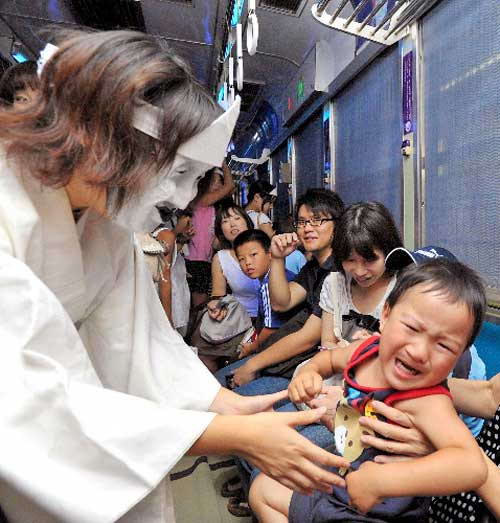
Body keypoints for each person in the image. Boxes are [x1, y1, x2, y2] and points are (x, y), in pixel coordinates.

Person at [0, 30, 347, 523]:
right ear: (107, 139)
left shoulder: (106, 229)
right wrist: (237, 436)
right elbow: (23, 405)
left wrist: (230, 406)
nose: (185, 199)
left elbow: (143, 349)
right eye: (180, 173)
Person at [250, 259, 489, 523]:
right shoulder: (366, 350)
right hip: (339, 482)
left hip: (377, 511)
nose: (419, 352)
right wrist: (309, 374)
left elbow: (471, 465)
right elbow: (329, 360)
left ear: (459, 357)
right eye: (411, 328)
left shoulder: (428, 400)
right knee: (262, 488)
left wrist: (384, 481)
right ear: (385, 315)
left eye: (444, 346)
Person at [216, 188, 345, 391]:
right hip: (287, 360)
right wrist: (277, 257)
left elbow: (307, 337)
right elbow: (281, 303)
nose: (307, 228)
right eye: (302, 222)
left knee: (228, 397)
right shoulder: (313, 267)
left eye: (317, 220)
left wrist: (253, 364)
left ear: (337, 224)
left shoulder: (338, 269)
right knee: (217, 383)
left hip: (306, 365)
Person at [233, 229, 297, 361]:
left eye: (253, 255)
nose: (248, 262)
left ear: (270, 254)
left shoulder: (269, 284)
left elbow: (271, 328)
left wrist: (251, 348)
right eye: (241, 259)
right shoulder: (279, 275)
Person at [185, 162, 235, 307]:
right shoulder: (202, 200)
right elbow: (229, 186)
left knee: (200, 305)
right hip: (196, 261)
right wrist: (223, 162)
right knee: (198, 306)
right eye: (217, 181)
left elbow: (230, 190)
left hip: (202, 260)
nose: (220, 185)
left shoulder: (210, 205)